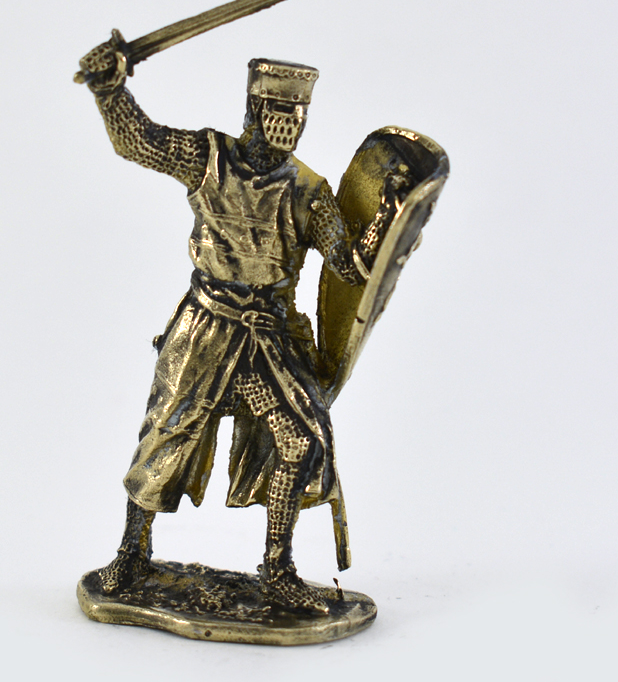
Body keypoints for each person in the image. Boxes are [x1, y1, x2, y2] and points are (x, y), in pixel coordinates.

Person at [78, 32, 392, 614]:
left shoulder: (310, 192)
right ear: (254, 108)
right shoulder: (206, 158)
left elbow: (348, 266)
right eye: (279, 111)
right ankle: (132, 553)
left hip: (267, 337)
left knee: (300, 442)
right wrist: (110, 89)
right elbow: (137, 141)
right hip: (206, 326)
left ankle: (278, 570)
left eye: (298, 114)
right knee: (166, 435)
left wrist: (387, 221)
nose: (289, 124)